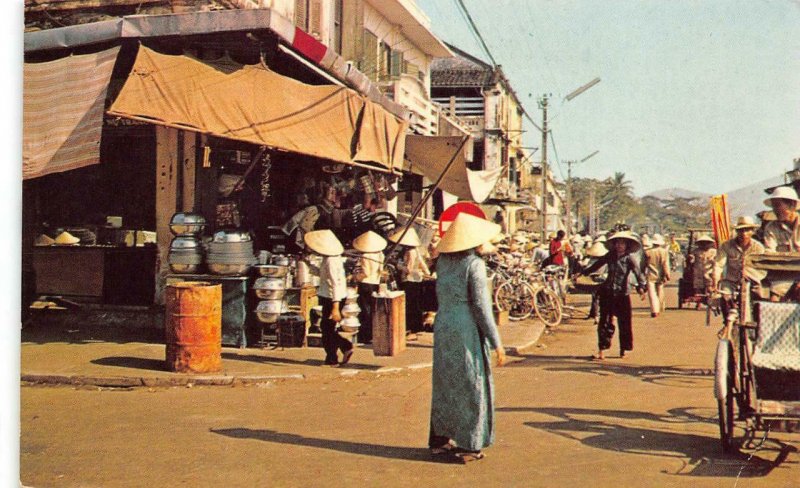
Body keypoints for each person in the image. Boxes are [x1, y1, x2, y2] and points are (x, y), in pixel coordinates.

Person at [428, 213, 505, 462]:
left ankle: (440, 439)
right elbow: (482, 308)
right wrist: (497, 343)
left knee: (445, 383)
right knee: (471, 383)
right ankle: (469, 444)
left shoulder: (442, 262)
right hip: (465, 326)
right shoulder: (474, 264)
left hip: (444, 324)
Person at [579, 230, 647, 360]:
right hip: (608, 291)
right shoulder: (609, 256)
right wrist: (584, 272)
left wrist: (642, 287)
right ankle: (602, 350)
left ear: (626, 245)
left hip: (623, 293)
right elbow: (597, 265)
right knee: (605, 322)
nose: (619, 246)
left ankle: (623, 349)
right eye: (617, 243)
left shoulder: (629, 258)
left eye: (622, 244)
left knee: (625, 323)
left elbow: (638, 273)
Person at [304, 229, 353, 367]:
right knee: (327, 328)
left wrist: (335, 307)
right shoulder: (330, 258)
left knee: (327, 329)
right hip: (331, 297)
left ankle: (335, 356)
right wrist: (307, 264)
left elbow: (335, 283)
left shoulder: (331, 261)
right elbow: (322, 274)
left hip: (332, 298)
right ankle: (342, 349)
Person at [711, 216, 765, 315]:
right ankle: (727, 323)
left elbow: (762, 268)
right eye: (741, 230)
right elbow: (718, 264)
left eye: (747, 230)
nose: (743, 233)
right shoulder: (726, 245)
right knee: (725, 297)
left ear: (752, 231)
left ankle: (758, 323)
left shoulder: (758, 247)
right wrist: (715, 281)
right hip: (732, 281)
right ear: (737, 231)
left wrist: (752, 277)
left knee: (761, 300)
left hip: (752, 281)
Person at [389, 226, 431, 338]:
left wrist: (397, 265)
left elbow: (409, 269)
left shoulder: (410, 252)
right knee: (414, 305)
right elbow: (422, 264)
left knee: (411, 305)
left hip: (411, 279)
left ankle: (413, 330)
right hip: (416, 279)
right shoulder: (415, 250)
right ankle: (415, 328)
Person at [352, 230, 386, 345]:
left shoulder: (365, 256)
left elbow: (365, 273)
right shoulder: (380, 254)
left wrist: (356, 277)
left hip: (366, 283)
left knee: (365, 310)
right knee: (372, 309)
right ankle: (372, 333)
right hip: (375, 283)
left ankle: (365, 335)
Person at [644, 233, 671, 317]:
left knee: (652, 293)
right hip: (661, 274)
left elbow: (643, 265)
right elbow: (665, 264)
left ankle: (654, 310)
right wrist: (667, 275)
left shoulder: (648, 252)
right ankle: (659, 307)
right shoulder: (664, 252)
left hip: (651, 274)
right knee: (660, 290)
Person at [690, 234, 717, 300]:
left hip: (709, 270)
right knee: (697, 282)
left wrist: (713, 260)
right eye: (703, 243)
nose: (705, 244)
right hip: (698, 270)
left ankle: (710, 292)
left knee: (709, 280)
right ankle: (697, 295)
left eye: (706, 243)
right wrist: (691, 258)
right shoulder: (696, 251)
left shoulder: (714, 251)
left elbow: (717, 261)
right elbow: (691, 260)